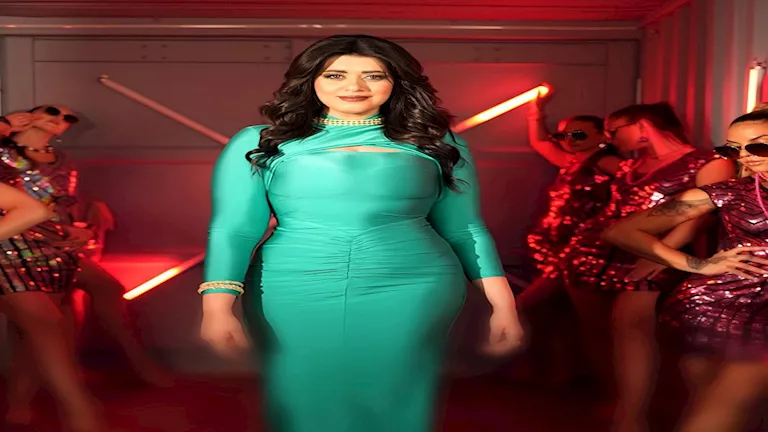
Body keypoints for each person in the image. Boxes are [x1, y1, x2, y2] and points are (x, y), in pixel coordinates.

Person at [199, 34, 524, 432]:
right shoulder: (261, 141)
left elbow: (464, 227)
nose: (354, 86)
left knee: (394, 395)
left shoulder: (437, 142)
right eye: (335, 75)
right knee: (305, 399)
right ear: (310, 80)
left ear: (396, 82)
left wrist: (503, 304)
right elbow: (234, 230)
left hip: (413, 286)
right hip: (289, 286)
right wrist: (217, 306)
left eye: (374, 75)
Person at [562, 102, 736, 432]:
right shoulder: (631, 164)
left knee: (630, 325)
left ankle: (631, 417)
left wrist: (660, 253)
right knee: (598, 331)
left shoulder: (708, 162)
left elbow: (703, 215)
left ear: (643, 126)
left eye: (615, 131)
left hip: (655, 254)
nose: (611, 139)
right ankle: (617, 400)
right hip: (593, 251)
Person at [603, 109, 768, 432]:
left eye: (758, 146)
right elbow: (622, 232)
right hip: (720, 310)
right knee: (718, 413)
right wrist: (697, 264)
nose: (746, 156)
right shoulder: (728, 192)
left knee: (742, 416)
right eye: (733, 149)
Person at [0, 107, 101, 431]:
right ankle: (81, 415)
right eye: (53, 113)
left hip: (38, 246)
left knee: (39, 330)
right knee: (46, 324)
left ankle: (21, 404)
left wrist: (76, 228)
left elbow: (45, 206)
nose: (59, 121)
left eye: (67, 119)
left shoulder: (50, 160)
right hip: (10, 252)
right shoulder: (9, 152)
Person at [517, 89, 621, 385]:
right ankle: (568, 374)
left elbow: (640, 185)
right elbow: (540, 142)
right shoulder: (572, 162)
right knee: (562, 314)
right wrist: (536, 111)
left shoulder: (606, 162)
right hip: (554, 250)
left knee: (537, 307)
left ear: (602, 136)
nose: (569, 140)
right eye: (563, 135)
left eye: (578, 134)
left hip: (581, 253)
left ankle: (607, 384)